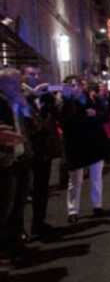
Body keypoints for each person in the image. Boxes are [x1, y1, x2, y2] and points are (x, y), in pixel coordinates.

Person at [59, 75, 110, 223]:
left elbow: (105, 117)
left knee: (96, 177)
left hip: (94, 143)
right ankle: (73, 210)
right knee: (75, 179)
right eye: (70, 85)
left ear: (83, 87)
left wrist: (95, 115)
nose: (74, 88)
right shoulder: (65, 102)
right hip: (75, 146)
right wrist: (68, 101)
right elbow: (65, 123)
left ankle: (97, 205)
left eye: (76, 85)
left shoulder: (93, 100)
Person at [21, 66, 62, 240]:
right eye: (31, 74)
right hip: (26, 150)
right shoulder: (20, 96)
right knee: (21, 193)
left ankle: (39, 223)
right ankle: (19, 230)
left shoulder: (45, 96)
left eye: (38, 74)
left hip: (44, 149)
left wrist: (55, 98)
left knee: (41, 189)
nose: (36, 77)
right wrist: (30, 97)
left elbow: (56, 116)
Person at [0, 68, 33, 261]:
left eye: (18, 83)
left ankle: (15, 242)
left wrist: (26, 107)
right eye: (13, 83)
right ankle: (4, 249)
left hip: (22, 158)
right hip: (5, 161)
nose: (18, 87)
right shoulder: (2, 104)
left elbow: (34, 126)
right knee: (5, 206)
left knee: (19, 204)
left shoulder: (20, 101)